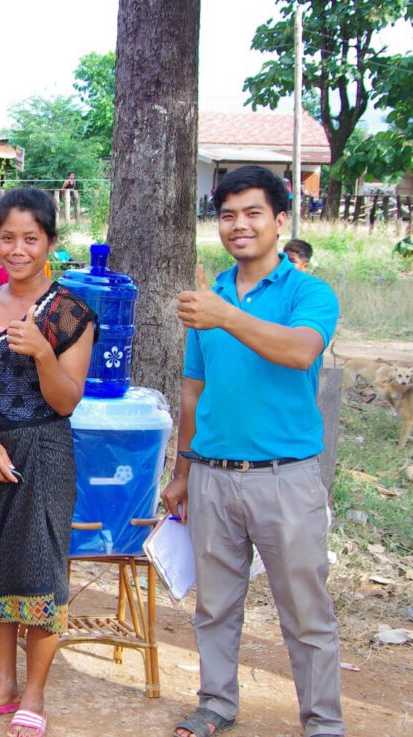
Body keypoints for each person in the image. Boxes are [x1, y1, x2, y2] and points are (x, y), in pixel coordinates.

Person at [163, 165, 342, 737]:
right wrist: (182, 471)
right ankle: (216, 703)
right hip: (213, 476)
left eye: (252, 213)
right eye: (227, 215)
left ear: (281, 219)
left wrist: (228, 317)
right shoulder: (209, 297)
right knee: (214, 606)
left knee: (305, 613)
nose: (238, 226)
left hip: (284, 477)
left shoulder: (308, 291)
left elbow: (298, 351)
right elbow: (194, 390)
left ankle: (322, 722)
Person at [0, 188, 96, 737]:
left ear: (50, 243)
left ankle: (34, 693)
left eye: (30, 238)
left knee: (41, 571)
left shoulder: (72, 313)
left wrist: (41, 350)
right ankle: (2, 685)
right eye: (7, 238)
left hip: (45, 452)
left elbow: (66, 400)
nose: (18, 249)